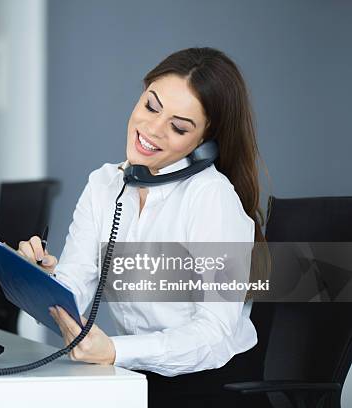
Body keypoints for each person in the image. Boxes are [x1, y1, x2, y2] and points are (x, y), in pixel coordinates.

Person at [17, 47, 268, 407]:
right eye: (151, 106)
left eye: (179, 127)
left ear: (204, 144)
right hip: (139, 379)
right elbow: (75, 289)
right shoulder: (105, 184)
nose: (152, 130)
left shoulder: (212, 198)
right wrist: (38, 280)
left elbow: (214, 335)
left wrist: (115, 350)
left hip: (214, 386)